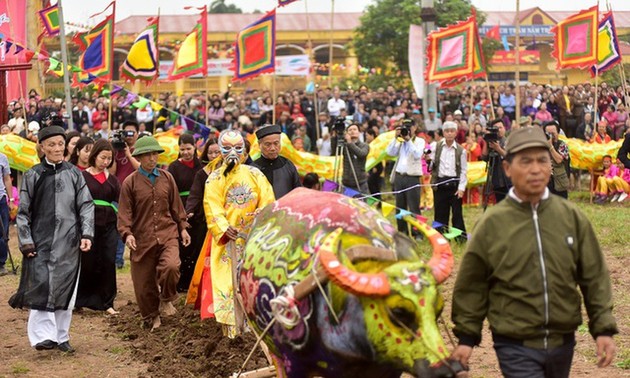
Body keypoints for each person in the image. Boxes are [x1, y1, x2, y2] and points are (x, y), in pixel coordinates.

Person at [451, 126, 618, 378]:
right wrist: (466, 336)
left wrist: (603, 328)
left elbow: (593, 275)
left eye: (542, 160)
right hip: (513, 342)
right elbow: (472, 284)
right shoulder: (492, 224)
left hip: (563, 340)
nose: (535, 169)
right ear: (508, 168)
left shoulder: (570, 217)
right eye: (525, 161)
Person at [9, 125, 94, 353]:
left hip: (69, 242)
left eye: (60, 144)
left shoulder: (75, 173)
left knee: (67, 288)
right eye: (51, 144)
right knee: (42, 286)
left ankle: (61, 336)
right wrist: (26, 242)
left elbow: (85, 205)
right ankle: (42, 337)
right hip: (40, 242)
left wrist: (86, 234)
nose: (57, 148)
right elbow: (24, 212)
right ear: (42, 147)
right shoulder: (32, 175)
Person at [203, 130, 275, 338]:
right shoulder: (214, 178)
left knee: (254, 281)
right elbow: (212, 206)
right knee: (228, 283)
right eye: (228, 148)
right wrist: (225, 228)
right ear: (221, 151)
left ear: (244, 150)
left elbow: (268, 198)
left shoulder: (255, 174)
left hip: (254, 238)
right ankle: (233, 330)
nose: (233, 153)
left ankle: (258, 326)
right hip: (228, 242)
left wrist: (263, 213)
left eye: (237, 148)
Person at [117, 136, 191, 331]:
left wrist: (182, 228)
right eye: (147, 155)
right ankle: (153, 317)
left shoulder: (167, 178)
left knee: (172, 266)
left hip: (168, 233)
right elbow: (125, 212)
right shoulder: (129, 183)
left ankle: (166, 298)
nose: (152, 158)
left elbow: (176, 206)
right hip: (142, 238)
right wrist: (127, 234)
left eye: (155, 154)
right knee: (143, 285)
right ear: (139, 157)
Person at [76, 139, 120, 314]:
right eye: (103, 157)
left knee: (109, 260)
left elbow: (120, 200)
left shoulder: (113, 180)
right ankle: (81, 299)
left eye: (109, 158)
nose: (106, 162)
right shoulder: (82, 176)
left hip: (109, 224)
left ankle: (107, 303)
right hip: (88, 224)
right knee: (88, 261)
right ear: (95, 156)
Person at [167, 134, 202, 292]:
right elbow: (171, 191)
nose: (186, 152)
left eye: (189, 149)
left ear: (195, 147)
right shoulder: (173, 167)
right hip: (180, 206)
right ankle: (181, 282)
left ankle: (195, 281)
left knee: (197, 245)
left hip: (200, 209)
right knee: (183, 246)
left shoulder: (201, 166)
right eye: (182, 149)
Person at [427, 121, 467, 243]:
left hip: (454, 185)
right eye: (447, 131)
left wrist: (461, 188)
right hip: (440, 183)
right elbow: (432, 166)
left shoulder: (461, 150)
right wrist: (428, 160)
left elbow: (464, 171)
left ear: (456, 133)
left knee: (457, 214)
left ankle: (460, 238)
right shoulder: (436, 146)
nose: (449, 134)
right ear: (443, 133)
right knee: (440, 213)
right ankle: (441, 238)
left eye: (452, 131)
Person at [386, 119, 425, 237]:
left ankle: (417, 233)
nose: (407, 130)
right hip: (399, 176)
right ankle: (402, 232)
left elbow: (418, 155)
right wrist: (395, 138)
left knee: (414, 207)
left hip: (412, 177)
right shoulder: (400, 141)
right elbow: (390, 152)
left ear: (415, 127)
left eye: (409, 127)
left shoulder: (419, 141)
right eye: (405, 127)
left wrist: (408, 140)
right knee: (399, 206)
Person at [110, 121, 141, 269]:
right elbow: (112, 173)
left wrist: (129, 153)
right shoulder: (116, 149)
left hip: (137, 193)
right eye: (125, 132)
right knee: (120, 227)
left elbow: (140, 169)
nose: (128, 136)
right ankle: (118, 260)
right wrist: (112, 150)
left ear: (137, 134)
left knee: (138, 226)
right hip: (119, 193)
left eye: (131, 133)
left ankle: (139, 256)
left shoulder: (140, 149)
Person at [251, 124, 301, 199]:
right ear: (259, 145)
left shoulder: (288, 165)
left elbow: (298, 191)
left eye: (276, 143)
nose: (273, 148)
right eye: (268, 144)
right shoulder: (253, 169)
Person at [481, 119, 511, 203]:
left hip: (509, 179)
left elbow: (511, 157)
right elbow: (484, 158)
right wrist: (486, 141)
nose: (499, 130)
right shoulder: (491, 142)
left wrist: (498, 149)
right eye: (496, 128)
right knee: (500, 203)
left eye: (500, 127)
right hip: (496, 178)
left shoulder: (509, 141)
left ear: (504, 128)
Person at [333, 123, 369, 193]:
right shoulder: (344, 146)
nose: (352, 131)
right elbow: (334, 151)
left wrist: (349, 142)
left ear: (359, 132)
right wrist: (334, 137)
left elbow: (361, 154)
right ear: (346, 133)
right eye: (350, 130)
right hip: (346, 182)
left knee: (361, 203)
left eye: (355, 129)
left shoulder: (364, 145)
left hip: (360, 182)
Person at [544, 121, 570, 199]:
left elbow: (559, 160)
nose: (550, 136)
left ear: (558, 133)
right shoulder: (541, 146)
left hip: (559, 181)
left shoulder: (562, 145)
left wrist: (550, 147)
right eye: (548, 133)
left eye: (552, 133)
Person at [0, 151, 16, 276]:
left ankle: (1, 263)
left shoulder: (2, 157)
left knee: (3, 233)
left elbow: (7, 179)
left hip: (1, 199)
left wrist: (11, 200)